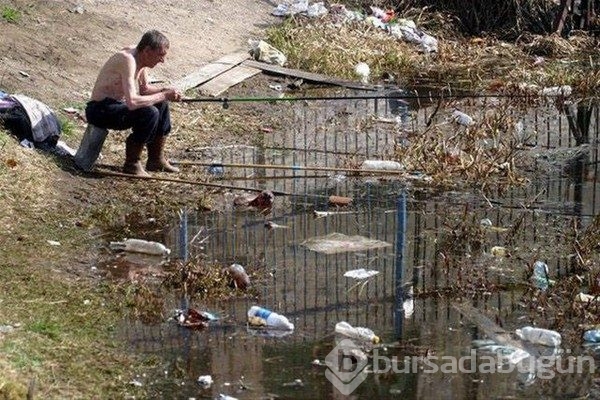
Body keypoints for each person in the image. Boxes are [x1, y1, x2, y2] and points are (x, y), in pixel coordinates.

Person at [85, 30, 182, 176]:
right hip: (100, 110)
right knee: (149, 112)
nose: (162, 60)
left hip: (117, 106)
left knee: (161, 105)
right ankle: (132, 163)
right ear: (148, 51)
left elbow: (145, 89)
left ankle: (155, 159)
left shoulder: (141, 57)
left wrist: (166, 91)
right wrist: (163, 95)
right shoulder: (127, 59)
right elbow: (132, 102)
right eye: (160, 55)